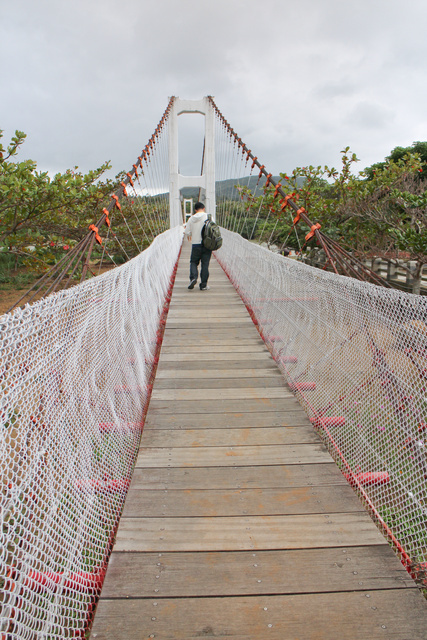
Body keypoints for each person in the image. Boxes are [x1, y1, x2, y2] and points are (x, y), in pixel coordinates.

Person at [184, 202, 212, 290]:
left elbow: (187, 232)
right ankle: (203, 285)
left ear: (195, 210)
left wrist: (192, 233)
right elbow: (214, 229)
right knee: (205, 264)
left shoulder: (191, 218)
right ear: (203, 208)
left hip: (195, 244)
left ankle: (193, 278)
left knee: (193, 262)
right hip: (207, 244)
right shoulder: (208, 216)